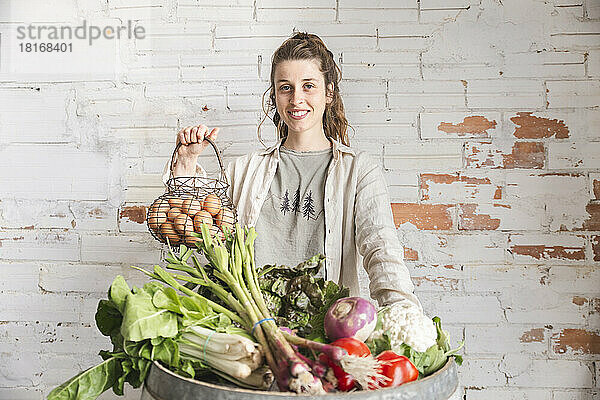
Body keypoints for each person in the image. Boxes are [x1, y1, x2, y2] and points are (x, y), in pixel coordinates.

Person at [162, 32, 423, 312]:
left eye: (308, 86)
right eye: (286, 87)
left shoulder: (358, 170)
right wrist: (186, 162)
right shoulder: (244, 170)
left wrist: (402, 313)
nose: (297, 99)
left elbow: (381, 248)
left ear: (329, 93)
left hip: (328, 330)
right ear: (274, 95)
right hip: (251, 327)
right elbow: (192, 227)